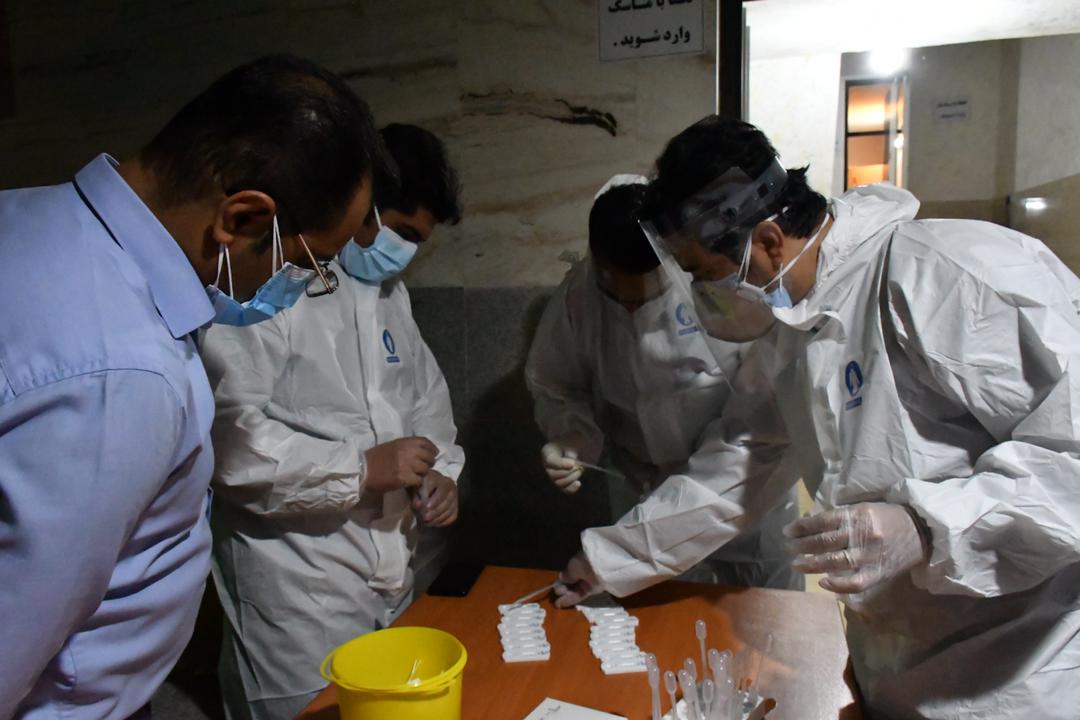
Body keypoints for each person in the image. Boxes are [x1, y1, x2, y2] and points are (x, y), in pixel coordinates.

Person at [633, 114, 1080, 719]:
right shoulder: (793, 326)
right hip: (894, 668)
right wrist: (609, 558)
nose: (707, 295)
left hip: (1019, 681)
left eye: (708, 276)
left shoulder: (948, 275)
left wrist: (924, 528)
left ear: (768, 241)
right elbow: (745, 458)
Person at [0, 55, 377, 719]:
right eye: (305, 263)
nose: (299, 285)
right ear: (242, 219)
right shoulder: (122, 374)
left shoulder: (29, 218)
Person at [200, 123, 465, 720]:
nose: (403, 252)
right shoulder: (273, 283)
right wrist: (359, 468)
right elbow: (227, 438)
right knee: (304, 708)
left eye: (417, 241)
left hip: (387, 564)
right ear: (360, 205)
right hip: (299, 579)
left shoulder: (389, 295)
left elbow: (427, 403)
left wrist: (442, 474)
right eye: (400, 232)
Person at [526, 174, 799, 595]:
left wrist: (614, 557)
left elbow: (756, 436)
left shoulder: (716, 286)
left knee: (765, 613)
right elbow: (555, 384)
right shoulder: (580, 295)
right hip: (647, 495)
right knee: (659, 620)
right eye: (615, 293)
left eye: (642, 296)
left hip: (744, 491)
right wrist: (573, 434)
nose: (628, 306)